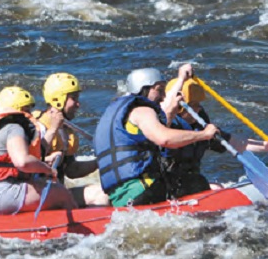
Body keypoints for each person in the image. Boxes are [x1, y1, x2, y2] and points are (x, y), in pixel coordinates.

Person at [93, 67, 221, 207]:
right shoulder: (142, 111)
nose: (163, 96)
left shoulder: (114, 113)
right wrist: (204, 135)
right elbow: (164, 139)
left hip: (120, 197)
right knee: (196, 182)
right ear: (144, 89)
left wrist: (181, 79)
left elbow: (164, 112)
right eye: (159, 90)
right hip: (143, 191)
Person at [160, 66, 268, 197]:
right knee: (212, 188)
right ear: (179, 106)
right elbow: (165, 111)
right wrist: (181, 79)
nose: (197, 109)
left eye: (198, 105)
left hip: (189, 183)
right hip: (165, 186)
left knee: (216, 188)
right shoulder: (163, 126)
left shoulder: (202, 126)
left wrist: (265, 146)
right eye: (192, 105)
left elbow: (233, 143)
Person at [0, 86, 76, 216]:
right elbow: (22, 162)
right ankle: (79, 232)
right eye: (27, 110)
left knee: (39, 187)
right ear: (18, 109)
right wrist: (48, 169)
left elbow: (33, 153)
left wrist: (52, 131)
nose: (29, 115)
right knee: (61, 193)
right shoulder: (13, 127)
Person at [33, 73, 108, 207]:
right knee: (101, 195)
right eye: (73, 98)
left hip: (56, 193)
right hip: (36, 195)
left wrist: (102, 161)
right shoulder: (37, 127)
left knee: (104, 191)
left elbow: (72, 170)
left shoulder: (66, 130)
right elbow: (24, 162)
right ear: (58, 100)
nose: (78, 104)